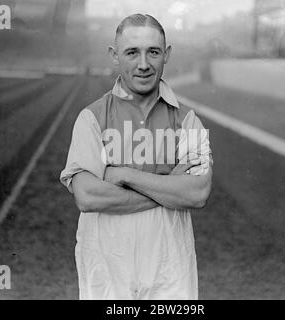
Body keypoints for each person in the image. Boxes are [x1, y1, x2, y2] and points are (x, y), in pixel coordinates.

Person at [60, 13, 213, 300]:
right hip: (106, 268)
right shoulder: (91, 118)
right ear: (114, 55)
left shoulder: (188, 120)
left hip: (171, 269)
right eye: (132, 52)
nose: (143, 64)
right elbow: (88, 197)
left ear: (166, 55)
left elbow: (198, 193)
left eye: (153, 52)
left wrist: (124, 175)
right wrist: (168, 186)